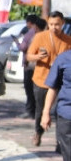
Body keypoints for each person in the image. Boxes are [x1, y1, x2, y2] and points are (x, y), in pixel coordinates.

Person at [27, 11, 71, 147]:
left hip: (60, 83)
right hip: (42, 80)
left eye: (57, 24)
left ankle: (60, 141)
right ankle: (38, 132)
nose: (54, 27)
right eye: (51, 24)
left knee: (60, 112)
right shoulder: (40, 37)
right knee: (41, 110)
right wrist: (38, 57)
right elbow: (29, 56)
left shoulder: (68, 40)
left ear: (62, 23)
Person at [41, 48, 71, 161]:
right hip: (67, 116)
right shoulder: (63, 59)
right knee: (69, 156)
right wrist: (46, 113)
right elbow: (52, 88)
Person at [17, 15, 43, 119]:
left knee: (29, 89)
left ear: (30, 23)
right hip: (39, 66)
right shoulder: (43, 34)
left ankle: (30, 111)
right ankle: (36, 111)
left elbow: (23, 47)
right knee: (36, 90)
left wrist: (18, 44)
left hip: (30, 66)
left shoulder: (30, 34)